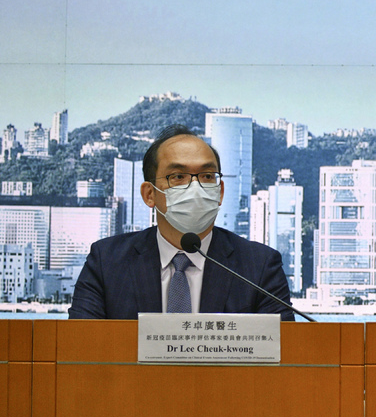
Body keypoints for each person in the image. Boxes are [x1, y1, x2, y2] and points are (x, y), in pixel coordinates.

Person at [69, 124, 295, 321]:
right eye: (178, 177)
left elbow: (283, 353)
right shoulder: (107, 262)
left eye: (207, 176)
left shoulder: (259, 266)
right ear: (149, 194)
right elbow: (81, 347)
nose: (195, 188)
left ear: (220, 193)